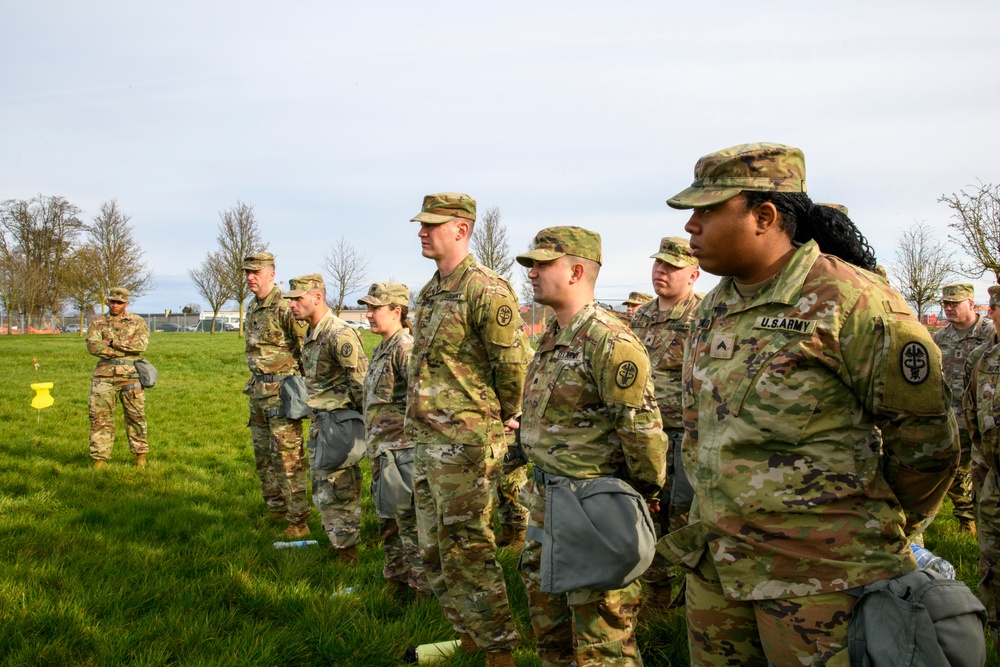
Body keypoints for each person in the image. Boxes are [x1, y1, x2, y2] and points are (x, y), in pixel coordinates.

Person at [660, 142, 959, 666]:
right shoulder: (716, 306)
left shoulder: (852, 301)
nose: (691, 228)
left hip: (820, 579)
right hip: (719, 569)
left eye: (707, 211)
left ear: (765, 216)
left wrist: (878, 533)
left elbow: (927, 442)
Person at [516, 226, 667, 666]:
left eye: (544, 264)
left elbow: (642, 432)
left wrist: (644, 493)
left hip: (592, 509)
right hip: (547, 503)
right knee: (552, 634)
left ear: (577, 270)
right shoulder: (550, 339)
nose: (532, 273)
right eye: (532, 265)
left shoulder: (610, 342)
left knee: (602, 641)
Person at [406, 192, 532, 667]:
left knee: (468, 550)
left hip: (465, 443)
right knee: (434, 550)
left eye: (431, 225)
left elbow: (511, 365)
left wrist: (502, 418)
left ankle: (499, 650)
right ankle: (470, 635)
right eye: (420, 224)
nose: (421, 231)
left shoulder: (487, 289)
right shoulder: (433, 289)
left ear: (461, 229)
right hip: (425, 439)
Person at [628, 236, 701, 610]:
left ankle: (694, 597)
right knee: (647, 511)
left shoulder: (702, 316)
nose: (662, 271)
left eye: (672, 266)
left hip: (686, 437)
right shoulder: (640, 316)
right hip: (645, 433)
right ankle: (654, 592)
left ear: (693, 274)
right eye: (659, 264)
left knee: (684, 517)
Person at [286, 273, 368, 561]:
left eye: (298, 299)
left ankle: (348, 554)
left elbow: (361, 384)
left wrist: (351, 423)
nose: (292, 305)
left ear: (317, 297)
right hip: (320, 422)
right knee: (323, 487)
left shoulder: (339, 334)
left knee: (340, 488)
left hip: (339, 423)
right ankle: (337, 543)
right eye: (291, 300)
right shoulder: (310, 333)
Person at [357, 281, 427, 592]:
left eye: (374, 308)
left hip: (403, 455)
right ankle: (396, 581)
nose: (368, 314)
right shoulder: (382, 348)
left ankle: (421, 590)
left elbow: (425, 401)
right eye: (367, 308)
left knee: (409, 525)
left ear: (396, 311)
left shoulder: (405, 349)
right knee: (388, 524)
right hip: (383, 454)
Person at [242, 252, 311, 539]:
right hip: (257, 392)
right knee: (264, 457)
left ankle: (299, 520)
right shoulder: (252, 307)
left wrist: (304, 389)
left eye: (256, 272)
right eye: (247, 272)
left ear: (272, 273)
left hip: (282, 393)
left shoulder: (286, 308)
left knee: (288, 458)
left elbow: (306, 349)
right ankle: (276, 510)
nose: (250, 277)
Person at [934, 282, 993, 535]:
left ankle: (988, 522)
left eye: (954, 303)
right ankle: (965, 517)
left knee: (986, 470)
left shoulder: (990, 334)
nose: (948, 308)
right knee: (955, 469)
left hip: (985, 417)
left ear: (970, 303)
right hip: (952, 417)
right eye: (945, 304)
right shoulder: (940, 337)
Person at [964, 285, 1000, 645]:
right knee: (991, 560)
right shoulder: (984, 358)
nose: (992, 314)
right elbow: (972, 411)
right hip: (993, 477)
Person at [86, 287, 150, 468]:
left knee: (136, 416)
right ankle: (100, 458)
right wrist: (121, 350)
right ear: (108, 302)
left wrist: (113, 343)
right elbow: (93, 346)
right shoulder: (98, 322)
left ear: (126, 303)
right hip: (104, 375)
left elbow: (141, 345)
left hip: (131, 375)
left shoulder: (137, 321)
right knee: (100, 417)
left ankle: (140, 456)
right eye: (112, 302)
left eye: (119, 302)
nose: (115, 305)